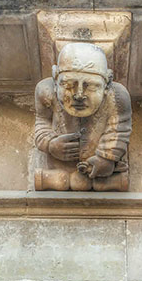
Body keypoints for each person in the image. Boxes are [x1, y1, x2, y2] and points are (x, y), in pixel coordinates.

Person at [34, 42, 132, 191]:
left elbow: (119, 129)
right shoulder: (45, 92)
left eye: (91, 86)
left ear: (107, 84)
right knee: (64, 180)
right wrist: (50, 144)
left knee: (84, 182)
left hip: (94, 165)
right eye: (68, 84)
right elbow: (42, 121)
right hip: (58, 165)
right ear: (55, 79)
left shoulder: (117, 98)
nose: (79, 95)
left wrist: (106, 158)